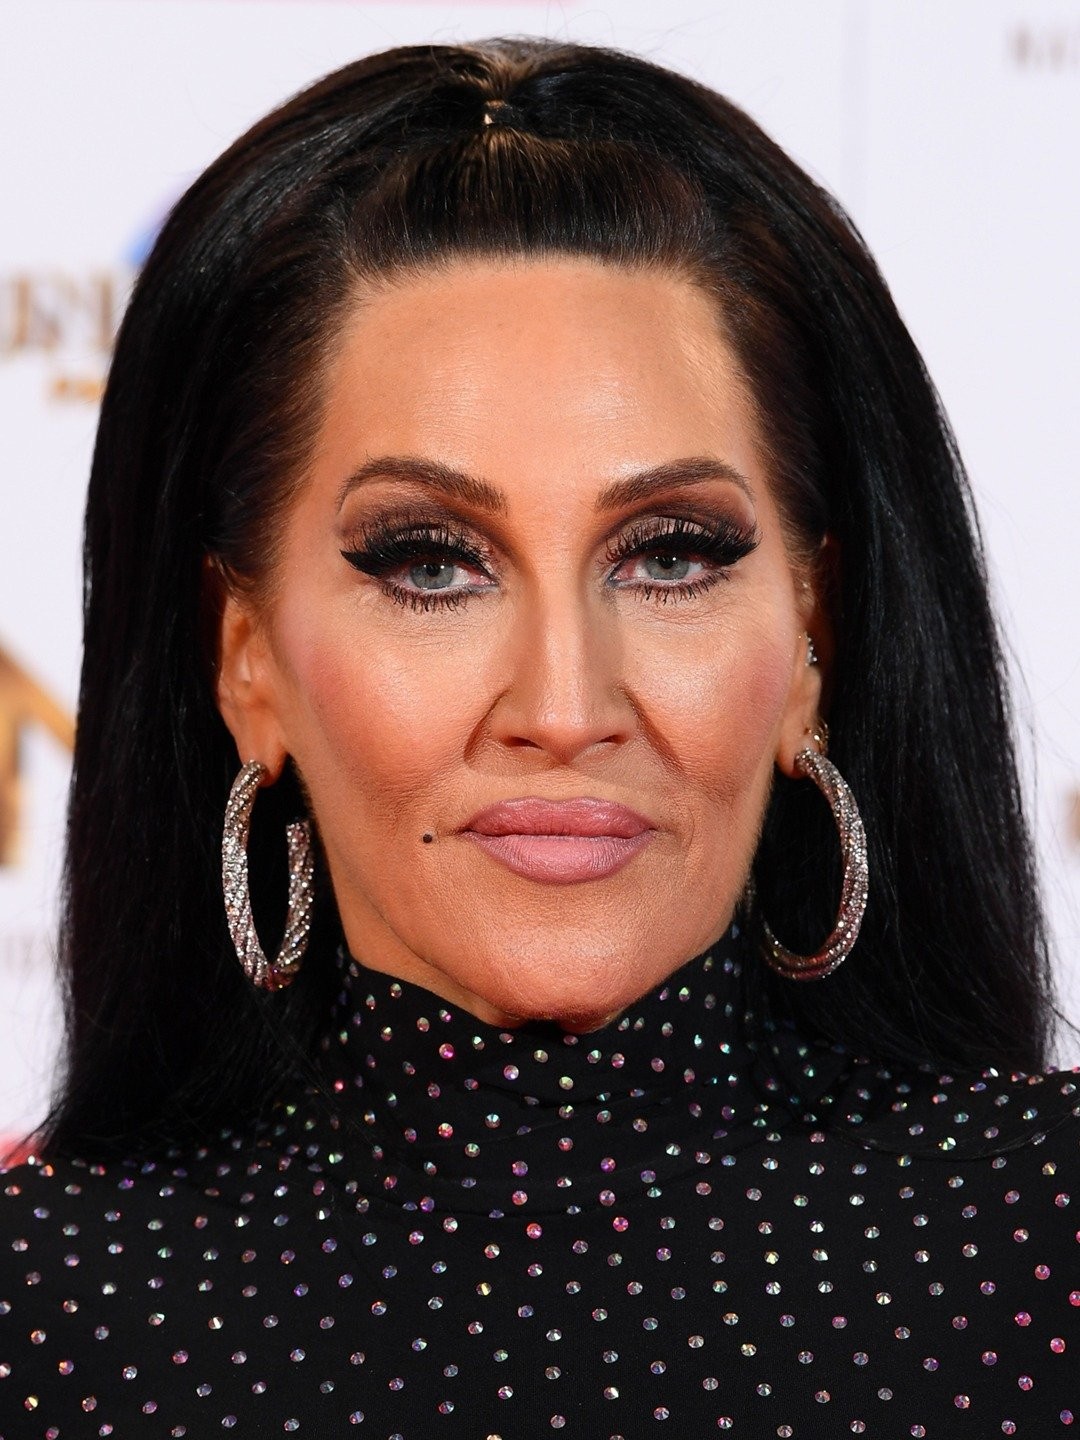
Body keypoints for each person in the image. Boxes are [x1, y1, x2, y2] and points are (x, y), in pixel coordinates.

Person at [1, 36, 1077, 1437]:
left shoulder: (1043, 1245)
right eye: (431, 565)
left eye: (671, 556)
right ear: (247, 660)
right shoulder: (46, 1316)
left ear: (813, 636)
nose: (566, 709)